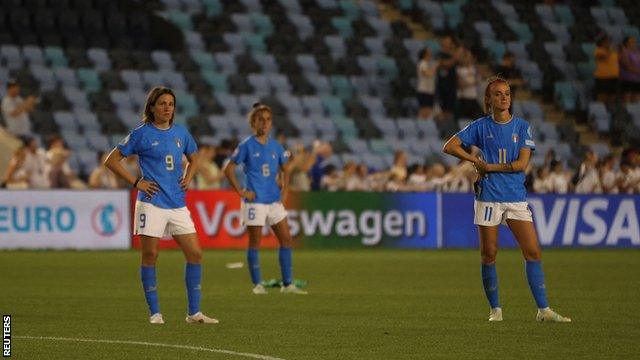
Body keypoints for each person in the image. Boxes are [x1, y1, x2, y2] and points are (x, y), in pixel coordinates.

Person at [442, 76, 571, 323]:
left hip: (515, 198)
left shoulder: (522, 127)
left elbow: (522, 165)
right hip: (489, 197)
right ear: (489, 99)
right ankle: (495, 310)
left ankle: (543, 310)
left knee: (533, 252)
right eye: (498, 94)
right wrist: (474, 161)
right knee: (489, 254)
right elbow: (449, 146)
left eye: (507, 93)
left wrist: (488, 166)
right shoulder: (480, 126)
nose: (504, 98)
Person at [104, 86, 218, 325]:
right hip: (152, 203)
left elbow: (195, 159)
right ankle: (155, 313)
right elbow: (111, 160)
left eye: (171, 104)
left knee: (195, 254)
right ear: (152, 107)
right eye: (162, 103)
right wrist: (137, 182)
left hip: (177, 203)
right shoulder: (141, 134)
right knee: (150, 255)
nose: (167, 108)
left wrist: (188, 176)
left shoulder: (181, 133)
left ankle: (194, 313)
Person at [223, 102, 307, 295]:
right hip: (255, 201)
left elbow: (285, 170)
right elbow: (228, 169)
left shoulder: (276, 146)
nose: (265, 123)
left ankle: (287, 284)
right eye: (261, 119)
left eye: (268, 120)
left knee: (286, 239)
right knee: (255, 242)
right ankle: (258, 284)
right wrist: (241, 192)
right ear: (254, 122)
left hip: (273, 201)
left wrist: (284, 192)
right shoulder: (246, 145)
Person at [593, 35, 619, 104]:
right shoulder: (598, 50)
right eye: (607, 42)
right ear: (602, 43)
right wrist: (611, 50)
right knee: (602, 96)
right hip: (603, 77)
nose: (609, 43)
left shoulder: (613, 52)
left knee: (613, 96)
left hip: (614, 76)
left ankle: (610, 110)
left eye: (609, 41)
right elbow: (604, 57)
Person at [416, 47, 437, 119]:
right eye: (429, 53)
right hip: (424, 90)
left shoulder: (429, 64)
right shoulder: (422, 63)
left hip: (430, 91)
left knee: (429, 111)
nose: (431, 54)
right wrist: (436, 67)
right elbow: (428, 74)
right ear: (425, 54)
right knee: (424, 111)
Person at [619, 36, 640, 102]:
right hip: (627, 79)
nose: (634, 43)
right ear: (627, 43)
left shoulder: (637, 52)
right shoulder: (624, 51)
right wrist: (638, 71)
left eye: (634, 41)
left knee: (636, 100)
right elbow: (626, 66)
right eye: (632, 41)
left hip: (637, 79)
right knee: (626, 100)